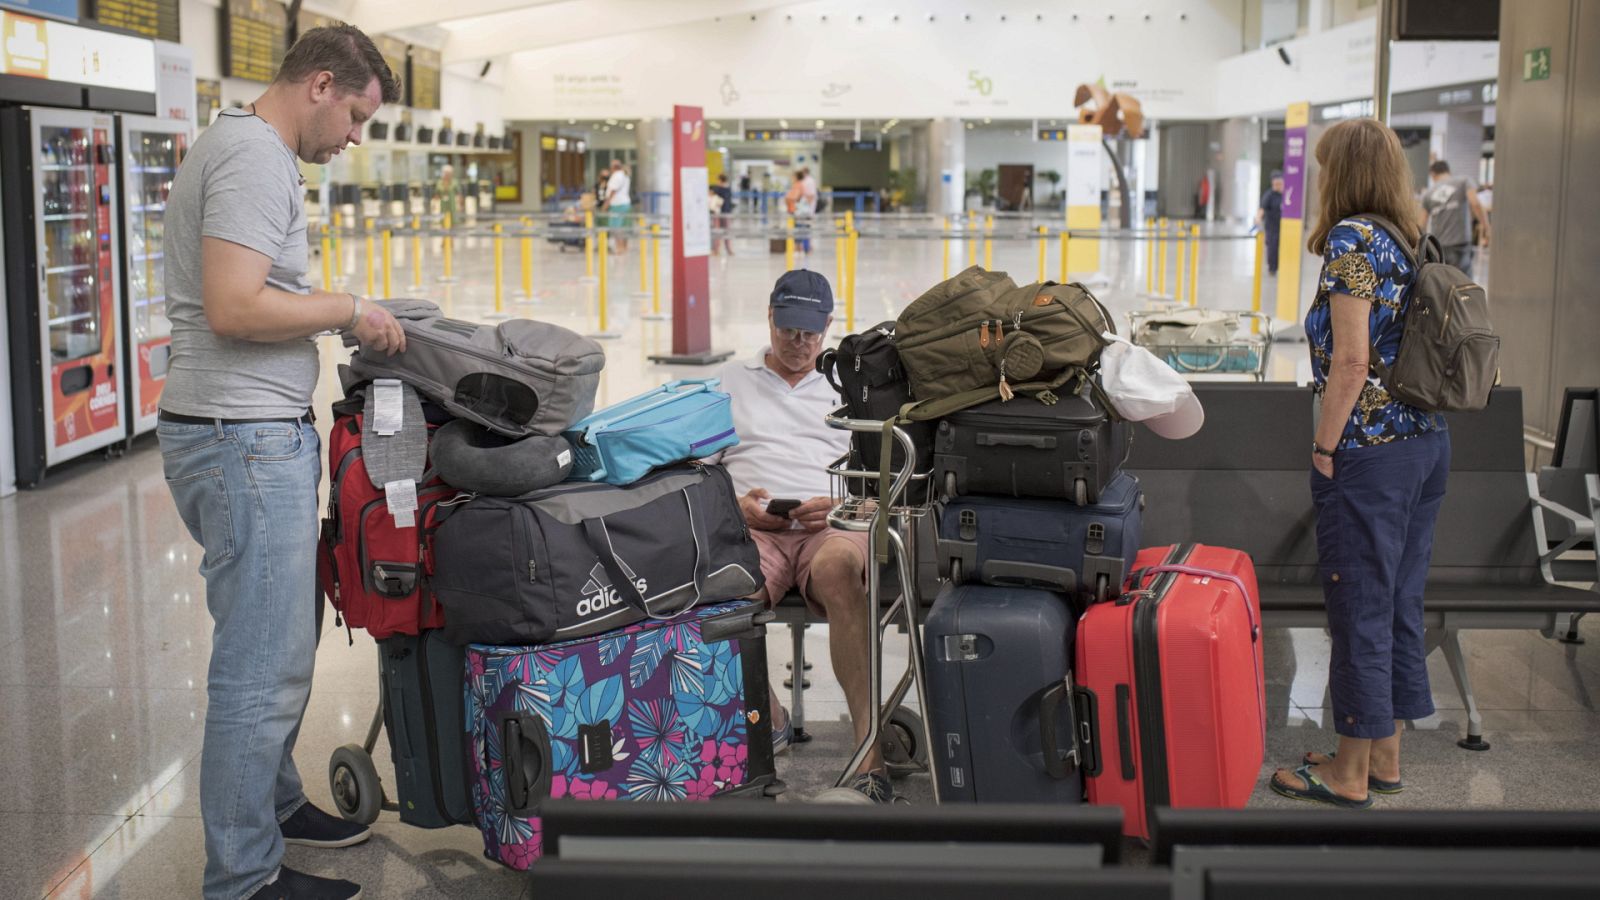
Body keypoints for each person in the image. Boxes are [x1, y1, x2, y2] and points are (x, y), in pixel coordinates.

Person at [158, 25, 405, 900]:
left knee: (279, 643)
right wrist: (345, 306)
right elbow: (232, 306)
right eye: (356, 117)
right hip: (240, 442)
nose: (354, 138)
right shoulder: (256, 157)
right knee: (259, 670)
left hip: (238, 434)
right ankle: (244, 879)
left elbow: (245, 290)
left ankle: (274, 802)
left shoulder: (240, 146)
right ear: (321, 83)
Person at [1271, 118, 1451, 811]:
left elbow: (1351, 361)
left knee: (1360, 608)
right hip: (1426, 445)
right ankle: (1383, 755)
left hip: (1370, 454)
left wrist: (1323, 445)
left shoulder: (1352, 242)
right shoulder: (1409, 238)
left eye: (1323, 168)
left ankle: (1346, 774)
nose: (1318, 179)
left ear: (1340, 173)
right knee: (1399, 601)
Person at [716, 270, 898, 804]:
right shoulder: (730, 381)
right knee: (722, 586)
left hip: (833, 524)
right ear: (769, 319)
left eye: (811, 334)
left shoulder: (854, 386)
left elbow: (883, 480)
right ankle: (763, 713)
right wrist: (739, 505)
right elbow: (697, 468)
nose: (799, 344)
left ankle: (869, 755)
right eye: (789, 330)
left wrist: (845, 504)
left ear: (830, 326)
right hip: (754, 526)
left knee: (840, 569)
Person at [1419, 160, 1490, 272]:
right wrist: (1487, 227)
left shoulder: (1428, 193)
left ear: (1433, 174)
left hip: (1438, 247)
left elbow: (1421, 224)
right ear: (1448, 171)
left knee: (1443, 283)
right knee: (1463, 284)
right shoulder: (1464, 181)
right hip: (1460, 245)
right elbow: (1475, 203)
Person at [1255, 170, 1285, 276]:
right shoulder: (1269, 195)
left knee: (1284, 247)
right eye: (1276, 184)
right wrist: (1258, 218)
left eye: (1280, 183)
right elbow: (1262, 208)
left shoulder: (1287, 194)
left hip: (1284, 226)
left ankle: (1284, 267)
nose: (1278, 186)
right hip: (1272, 227)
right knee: (1272, 248)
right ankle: (1272, 269)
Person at [603, 159, 632, 253]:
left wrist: (606, 204)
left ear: (613, 167)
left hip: (617, 205)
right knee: (624, 227)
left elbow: (613, 191)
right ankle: (624, 247)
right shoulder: (625, 175)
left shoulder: (616, 176)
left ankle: (619, 248)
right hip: (626, 203)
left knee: (616, 227)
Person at [711, 171, 735, 255]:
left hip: (718, 214)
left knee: (717, 232)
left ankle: (716, 250)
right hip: (726, 213)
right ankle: (728, 250)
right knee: (726, 232)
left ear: (720, 180)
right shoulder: (728, 189)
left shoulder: (717, 189)